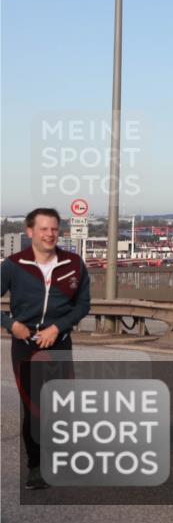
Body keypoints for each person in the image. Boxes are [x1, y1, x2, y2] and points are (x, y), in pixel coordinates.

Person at [1, 208, 91, 490]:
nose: (50, 234)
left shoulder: (74, 264)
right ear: (30, 232)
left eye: (54, 229)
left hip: (59, 342)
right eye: (43, 229)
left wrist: (57, 328)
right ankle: (36, 467)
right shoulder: (13, 265)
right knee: (34, 407)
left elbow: (82, 305)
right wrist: (10, 324)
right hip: (25, 345)